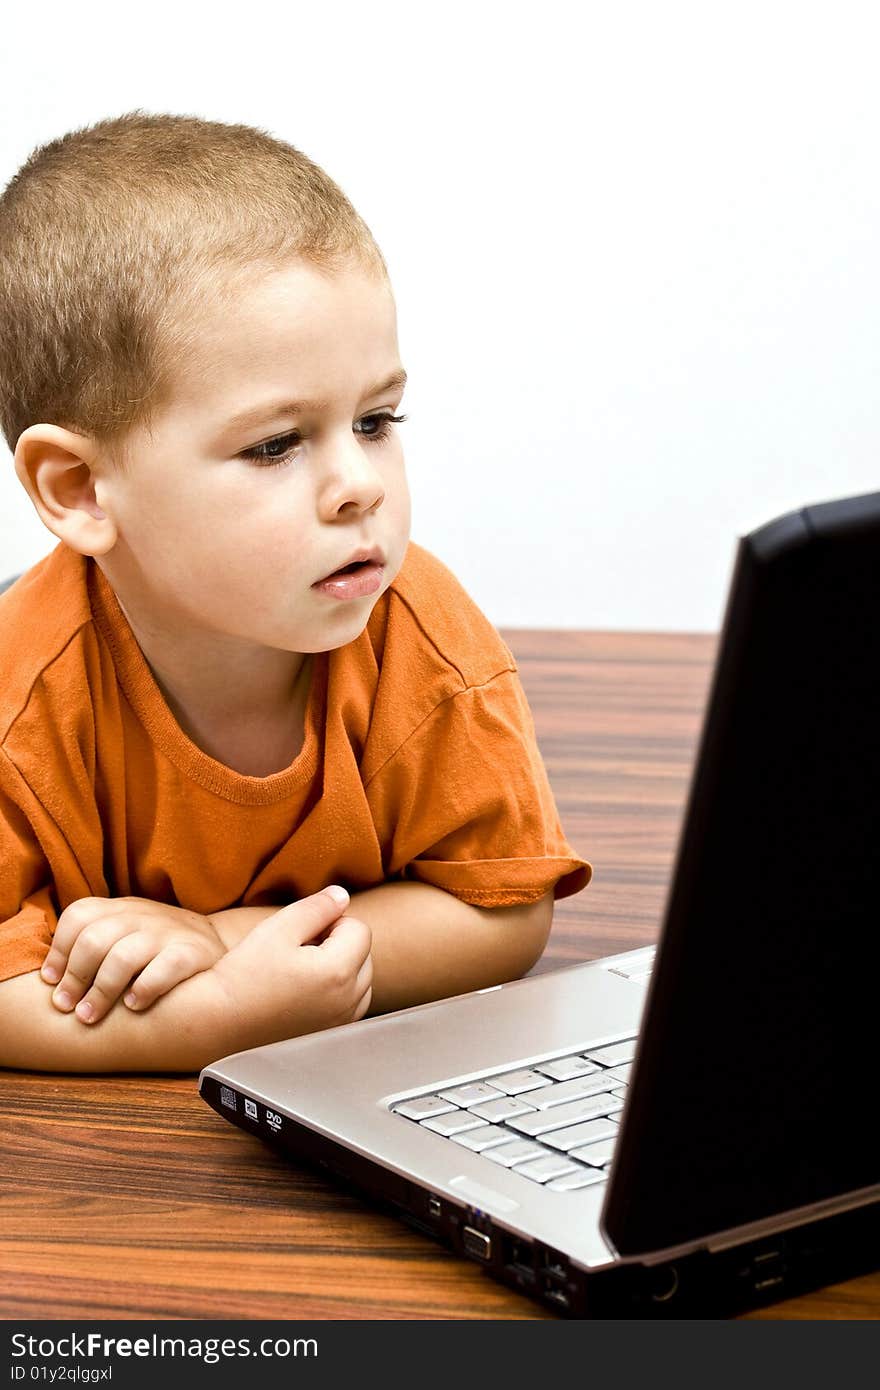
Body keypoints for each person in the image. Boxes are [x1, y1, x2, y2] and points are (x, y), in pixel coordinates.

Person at [0, 111, 590, 1073]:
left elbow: (502, 910)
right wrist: (215, 1023)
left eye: (376, 419)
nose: (359, 484)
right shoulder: (20, 695)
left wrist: (230, 946)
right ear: (80, 491)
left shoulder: (425, 643)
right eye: (276, 444)